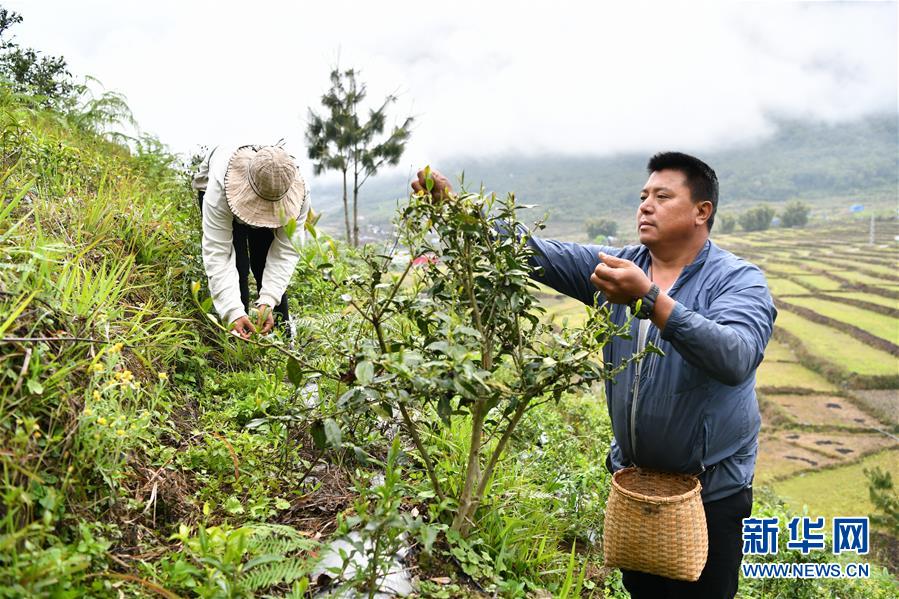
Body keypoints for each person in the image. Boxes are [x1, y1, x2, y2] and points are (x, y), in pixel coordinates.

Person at [412, 152, 776, 599]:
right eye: (643, 196)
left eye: (663, 197)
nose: (646, 206)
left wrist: (650, 300)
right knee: (642, 592)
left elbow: (736, 356)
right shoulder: (618, 268)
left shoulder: (737, 280)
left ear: (702, 211)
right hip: (637, 489)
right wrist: (456, 209)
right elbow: (536, 253)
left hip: (711, 495)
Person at [193, 144, 311, 338]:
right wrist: (233, 312)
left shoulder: (297, 190)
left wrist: (268, 300)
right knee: (238, 266)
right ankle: (238, 338)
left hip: (270, 188)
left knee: (262, 263)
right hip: (224, 189)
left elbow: (285, 251)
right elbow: (218, 251)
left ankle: (282, 338)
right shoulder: (220, 184)